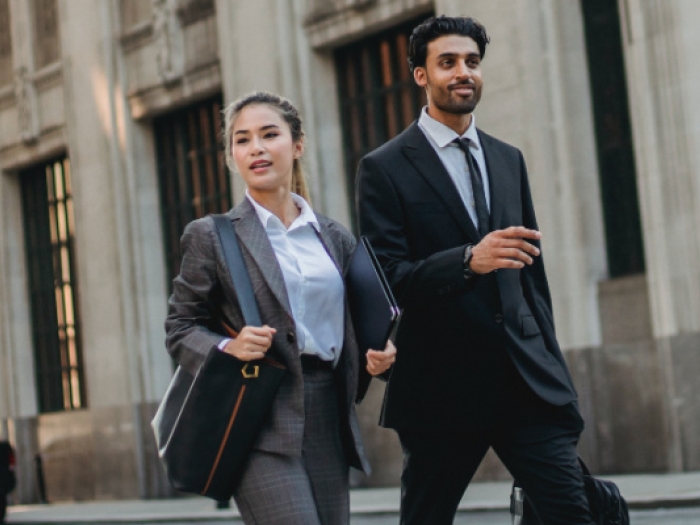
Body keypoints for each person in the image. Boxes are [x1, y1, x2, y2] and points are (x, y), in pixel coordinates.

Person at [356, 15, 594, 525]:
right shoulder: (384, 167)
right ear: (421, 75)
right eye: (448, 63)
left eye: (472, 62)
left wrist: (555, 373)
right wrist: (469, 260)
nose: (463, 72)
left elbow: (533, 279)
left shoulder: (509, 159)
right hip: (441, 386)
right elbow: (390, 278)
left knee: (573, 513)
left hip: (525, 383)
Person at [165, 91, 396, 525]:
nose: (256, 148)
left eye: (269, 134)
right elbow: (180, 327)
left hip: (330, 413)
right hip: (258, 417)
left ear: (297, 144)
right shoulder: (212, 236)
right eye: (242, 140)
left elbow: (359, 328)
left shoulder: (334, 237)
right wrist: (225, 348)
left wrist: (380, 357)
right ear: (232, 155)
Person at [0, 441, 15, 524]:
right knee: (2, 497)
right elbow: (12, 463)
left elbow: (12, 462)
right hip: (5, 476)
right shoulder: (5, 447)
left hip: (4, 476)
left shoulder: (5, 447)